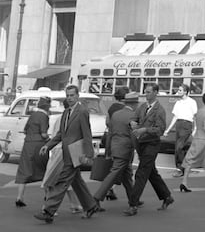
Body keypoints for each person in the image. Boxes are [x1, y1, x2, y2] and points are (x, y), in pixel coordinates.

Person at [34, 84, 101, 223]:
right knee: (77, 182)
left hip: (75, 154)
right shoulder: (66, 112)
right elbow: (60, 134)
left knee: (62, 182)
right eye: (68, 95)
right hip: (67, 153)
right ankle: (91, 206)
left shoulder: (82, 111)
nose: (69, 98)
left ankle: (48, 211)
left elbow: (86, 133)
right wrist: (48, 146)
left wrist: (88, 154)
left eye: (72, 95)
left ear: (77, 96)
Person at [124, 83, 174, 216]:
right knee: (151, 172)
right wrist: (132, 123)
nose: (146, 95)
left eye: (149, 92)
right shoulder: (142, 107)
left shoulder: (159, 110)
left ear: (156, 93)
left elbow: (160, 129)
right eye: (145, 92)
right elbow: (133, 119)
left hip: (152, 144)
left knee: (141, 173)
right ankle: (167, 196)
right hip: (141, 143)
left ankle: (133, 204)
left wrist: (145, 129)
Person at [93, 91, 139, 207]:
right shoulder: (133, 116)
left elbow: (110, 133)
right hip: (126, 148)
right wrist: (138, 149)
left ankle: (133, 198)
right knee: (114, 174)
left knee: (127, 175)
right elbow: (134, 135)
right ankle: (97, 197)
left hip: (114, 146)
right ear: (134, 104)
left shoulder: (116, 114)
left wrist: (108, 150)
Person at [15, 96, 50, 207]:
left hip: (27, 144)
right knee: (43, 170)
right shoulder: (44, 116)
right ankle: (48, 196)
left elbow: (25, 130)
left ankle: (19, 197)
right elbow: (44, 133)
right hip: (38, 145)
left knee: (24, 170)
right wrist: (50, 140)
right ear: (47, 106)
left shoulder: (32, 115)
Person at [164, 84, 197, 176]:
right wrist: (168, 129)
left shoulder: (192, 102)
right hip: (179, 124)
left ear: (185, 92)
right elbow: (175, 117)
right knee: (177, 148)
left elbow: (195, 117)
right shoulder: (178, 103)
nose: (178, 92)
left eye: (180, 90)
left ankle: (181, 169)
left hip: (187, 125)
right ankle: (181, 167)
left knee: (179, 146)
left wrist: (195, 128)